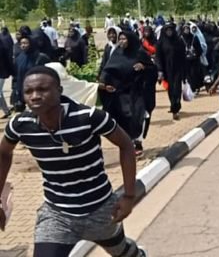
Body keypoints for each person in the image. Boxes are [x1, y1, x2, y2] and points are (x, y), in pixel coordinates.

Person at [0, 66, 147, 257]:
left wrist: (128, 196)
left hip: (101, 209)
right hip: (57, 213)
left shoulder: (89, 117)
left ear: (59, 91)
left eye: (42, 89)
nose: (35, 96)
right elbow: (3, 153)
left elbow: (126, 145)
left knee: (123, 253)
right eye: (28, 91)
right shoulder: (20, 125)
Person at [99, 31, 157, 156]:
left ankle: (138, 142)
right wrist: (103, 83)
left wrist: (143, 67)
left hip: (137, 91)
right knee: (123, 117)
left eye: (124, 39)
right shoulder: (117, 53)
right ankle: (129, 142)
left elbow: (153, 69)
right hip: (120, 92)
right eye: (120, 39)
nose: (121, 41)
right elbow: (108, 70)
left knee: (138, 116)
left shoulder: (139, 53)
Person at [12, 36, 51, 112]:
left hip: (37, 89)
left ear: (31, 44)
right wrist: (15, 91)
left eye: (25, 43)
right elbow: (16, 76)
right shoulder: (19, 58)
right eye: (21, 43)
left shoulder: (40, 57)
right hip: (23, 89)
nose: (23, 45)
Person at [155, 23, 186, 120]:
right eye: (167, 30)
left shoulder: (179, 41)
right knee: (171, 89)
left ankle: (176, 107)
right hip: (167, 70)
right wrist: (160, 70)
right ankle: (174, 106)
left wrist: (185, 70)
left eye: (170, 30)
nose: (169, 32)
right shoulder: (161, 43)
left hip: (178, 69)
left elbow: (183, 56)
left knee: (177, 88)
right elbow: (158, 57)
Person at [181, 25, 205, 94]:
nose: (186, 30)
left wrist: (196, 54)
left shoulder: (194, 38)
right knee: (187, 75)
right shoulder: (181, 38)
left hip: (194, 60)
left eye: (187, 29)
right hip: (185, 61)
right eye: (185, 29)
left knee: (194, 74)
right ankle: (190, 89)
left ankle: (195, 88)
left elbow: (199, 49)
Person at [0, 29, 12, 118]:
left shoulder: (2, 48)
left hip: (1, 73)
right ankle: (6, 110)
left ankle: (6, 110)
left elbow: (6, 61)